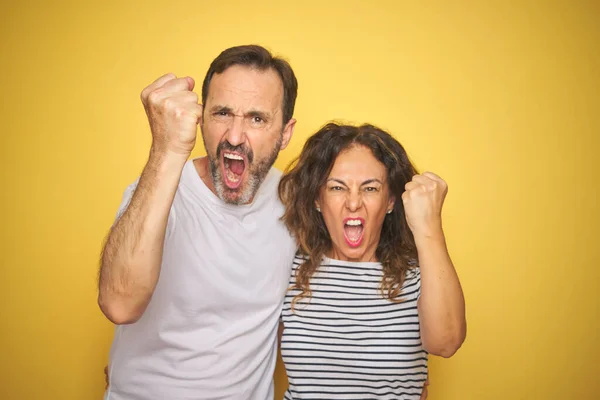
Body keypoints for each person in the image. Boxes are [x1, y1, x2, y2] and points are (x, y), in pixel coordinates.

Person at [98, 44, 299, 399]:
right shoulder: (158, 192)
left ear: (285, 132)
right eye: (222, 113)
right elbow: (119, 304)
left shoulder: (294, 203)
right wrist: (167, 148)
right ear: (201, 117)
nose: (234, 137)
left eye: (257, 118)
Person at [278, 123, 467, 399]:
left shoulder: (418, 274)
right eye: (337, 187)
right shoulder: (290, 269)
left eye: (370, 188)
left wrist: (429, 227)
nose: (353, 203)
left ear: (390, 201)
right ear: (317, 199)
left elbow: (447, 343)